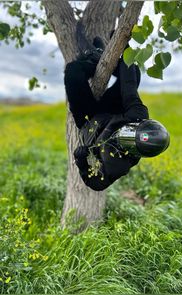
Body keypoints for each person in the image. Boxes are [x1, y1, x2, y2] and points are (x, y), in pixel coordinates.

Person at [64, 36, 169, 191]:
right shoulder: (138, 115)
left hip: (89, 121)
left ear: (134, 151)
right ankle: (98, 60)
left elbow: (97, 184)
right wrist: (125, 47)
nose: (127, 133)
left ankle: (93, 58)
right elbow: (129, 86)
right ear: (140, 124)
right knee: (134, 72)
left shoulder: (119, 164)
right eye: (133, 130)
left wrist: (82, 161)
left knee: (73, 70)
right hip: (112, 112)